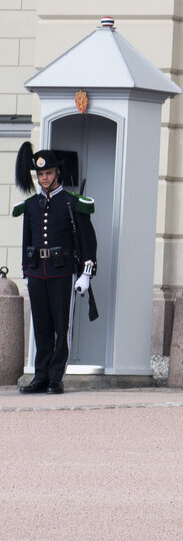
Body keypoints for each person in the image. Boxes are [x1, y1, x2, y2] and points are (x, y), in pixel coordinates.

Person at [13, 146, 96, 394]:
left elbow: (89, 241)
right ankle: (40, 376)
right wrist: (27, 271)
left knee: (62, 327)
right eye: (40, 174)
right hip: (38, 272)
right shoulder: (30, 205)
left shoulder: (73, 203)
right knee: (41, 327)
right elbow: (27, 240)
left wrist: (86, 273)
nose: (44, 178)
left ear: (57, 173)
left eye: (48, 173)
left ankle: (55, 377)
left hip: (62, 273)